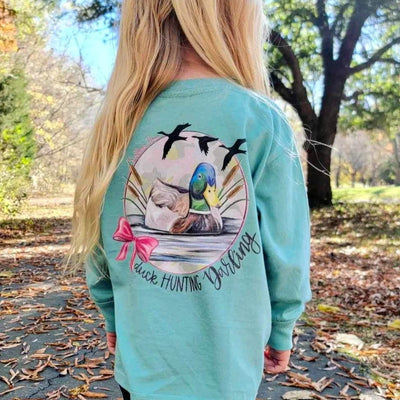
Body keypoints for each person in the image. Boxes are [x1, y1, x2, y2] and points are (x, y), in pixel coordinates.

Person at [63, 1, 312, 399]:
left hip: (143, 368)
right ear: (239, 16)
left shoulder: (118, 122)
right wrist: (282, 326)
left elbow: (98, 245)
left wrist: (112, 315)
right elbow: (287, 253)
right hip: (226, 372)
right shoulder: (260, 120)